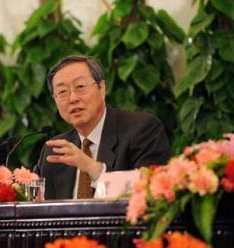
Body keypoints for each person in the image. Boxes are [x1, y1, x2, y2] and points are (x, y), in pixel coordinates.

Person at [37, 55, 172, 200]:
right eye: (62, 92)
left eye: (80, 87)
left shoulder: (142, 130)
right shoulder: (55, 151)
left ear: (102, 88)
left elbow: (150, 189)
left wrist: (93, 169)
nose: (73, 98)